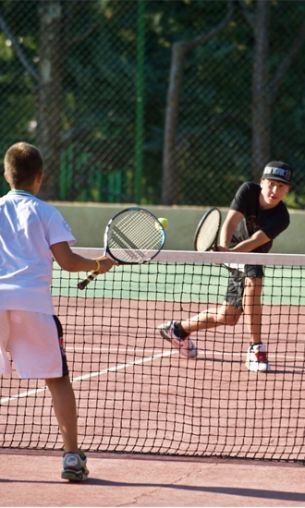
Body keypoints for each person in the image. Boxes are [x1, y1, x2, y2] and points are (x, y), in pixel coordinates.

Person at [0, 142, 116, 481]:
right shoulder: (46, 212)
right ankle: (71, 457)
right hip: (33, 303)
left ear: (7, 175)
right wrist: (97, 264)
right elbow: (67, 261)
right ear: (40, 177)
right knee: (58, 378)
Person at [158, 161, 292, 372]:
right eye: (272, 183)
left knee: (228, 316)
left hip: (251, 254)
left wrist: (228, 254)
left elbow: (255, 241)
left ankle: (178, 330)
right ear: (262, 182)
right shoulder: (248, 190)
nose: (275, 190)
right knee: (254, 281)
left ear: (287, 190)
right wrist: (222, 246)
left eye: (281, 186)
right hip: (231, 249)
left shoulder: (282, 217)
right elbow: (230, 221)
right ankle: (256, 348)